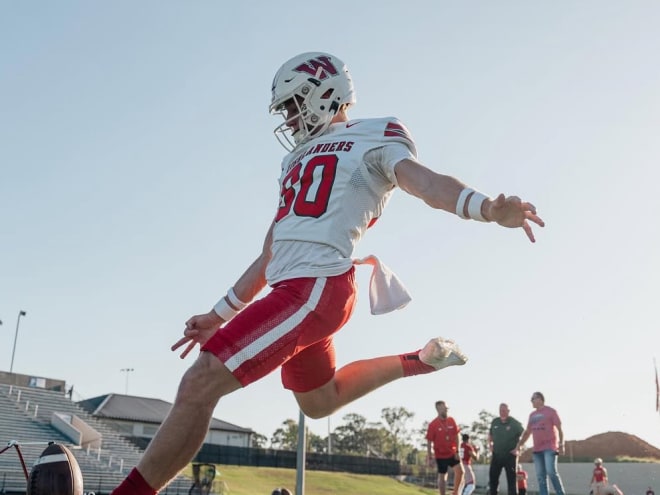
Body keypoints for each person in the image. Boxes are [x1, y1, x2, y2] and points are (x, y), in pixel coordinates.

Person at [110, 51, 544, 495]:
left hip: (315, 287)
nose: (288, 117)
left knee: (200, 382)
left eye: (293, 104)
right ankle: (420, 360)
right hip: (298, 289)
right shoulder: (293, 160)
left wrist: (487, 208)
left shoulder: (375, 134)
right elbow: (270, 253)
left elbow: (427, 184)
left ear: (325, 92)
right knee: (320, 401)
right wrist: (220, 313)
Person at [515, 392, 566, 495]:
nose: (531, 401)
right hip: (537, 450)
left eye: (532, 399)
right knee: (540, 476)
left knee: (551, 472)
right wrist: (518, 446)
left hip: (549, 447)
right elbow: (527, 432)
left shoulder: (551, 411)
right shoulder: (532, 415)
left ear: (540, 399)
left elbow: (560, 429)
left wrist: (561, 445)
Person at [427, 401, 464, 495]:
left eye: (447, 408)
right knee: (443, 476)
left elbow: (457, 436)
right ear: (439, 409)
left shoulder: (452, 420)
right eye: (445, 408)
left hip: (452, 452)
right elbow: (429, 441)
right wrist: (430, 457)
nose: (447, 410)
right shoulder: (433, 424)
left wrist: (457, 451)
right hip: (440, 455)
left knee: (460, 471)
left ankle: (455, 493)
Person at [488, 403, 524, 495]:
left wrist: (518, 448)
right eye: (500, 411)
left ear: (508, 411)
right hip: (496, 455)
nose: (502, 412)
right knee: (493, 480)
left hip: (510, 456)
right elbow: (490, 434)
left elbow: (524, 435)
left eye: (504, 410)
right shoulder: (495, 422)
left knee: (511, 481)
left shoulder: (514, 423)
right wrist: (490, 445)